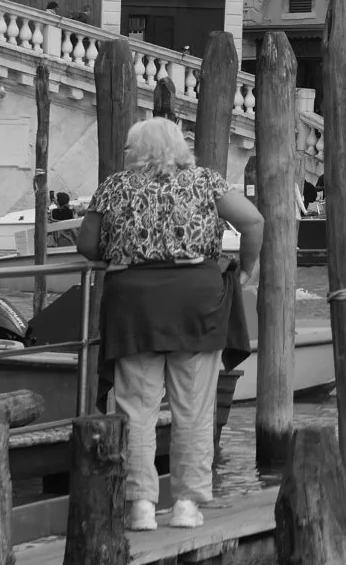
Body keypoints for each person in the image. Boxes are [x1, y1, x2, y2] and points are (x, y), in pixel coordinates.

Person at [77, 118, 264, 532]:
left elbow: (86, 244)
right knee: (194, 407)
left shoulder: (115, 186)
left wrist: (119, 246)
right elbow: (253, 222)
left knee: (136, 407)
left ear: (136, 150)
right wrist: (248, 269)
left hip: (135, 304)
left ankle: (141, 507)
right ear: (179, 147)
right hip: (195, 302)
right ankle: (186, 504)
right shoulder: (205, 182)